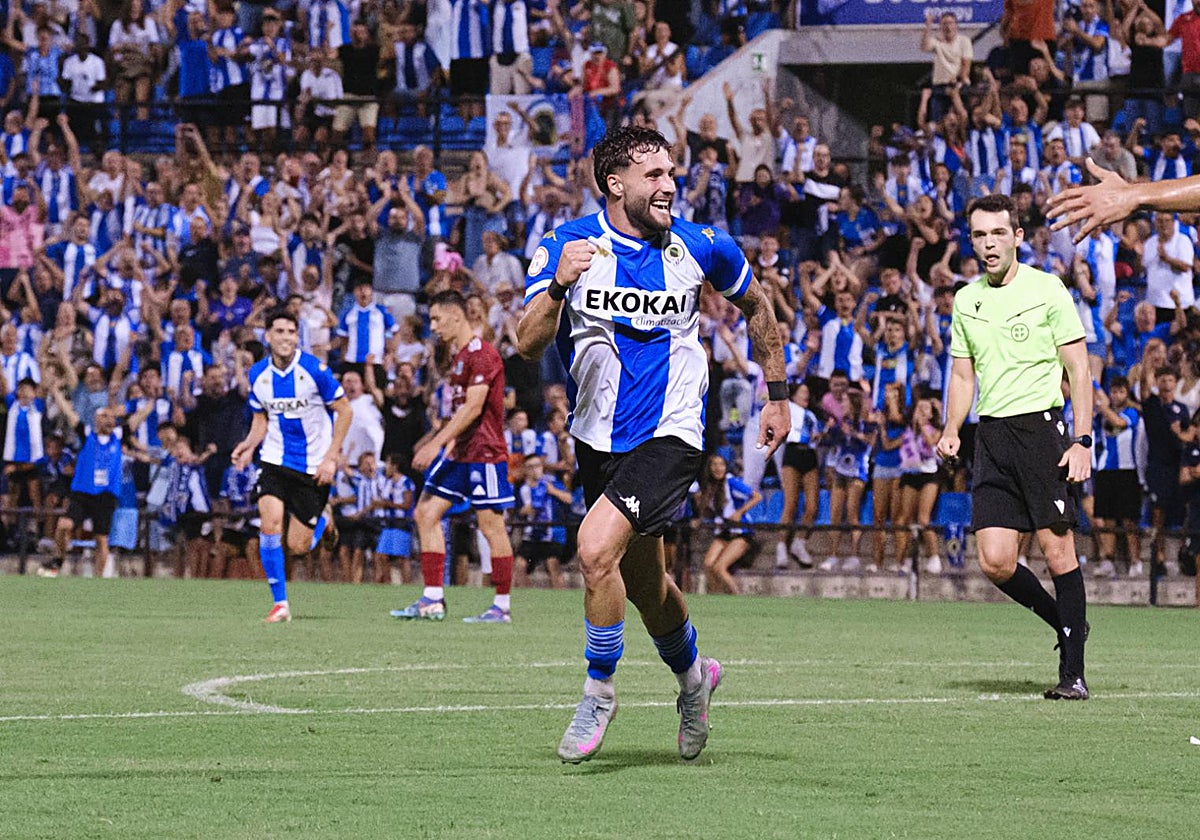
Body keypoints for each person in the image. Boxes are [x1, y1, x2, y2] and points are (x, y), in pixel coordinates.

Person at [515, 126, 790, 763]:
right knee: (646, 587)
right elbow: (526, 343)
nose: (670, 185)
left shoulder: (702, 245)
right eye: (655, 175)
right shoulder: (565, 246)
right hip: (598, 437)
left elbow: (758, 306)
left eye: (671, 172)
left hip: (673, 432)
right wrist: (558, 286)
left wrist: (776, 395)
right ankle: (695, 679)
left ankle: (598, 691)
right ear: (616, 184)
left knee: (593, 549)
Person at [936, 193, 1094, 701]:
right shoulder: (966, 300)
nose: (989, 244)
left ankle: (1073, 675)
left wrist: (1082, 440)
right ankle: (1067, 622)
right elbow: (963, 375)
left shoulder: (1047, 289)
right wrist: (951, 427)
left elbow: (1079, 370)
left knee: (1058, 552)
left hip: (1041, 433)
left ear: (1018, 237)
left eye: (998, 233)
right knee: (996, 561)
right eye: (979, 235)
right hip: (992, 437)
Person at [392, 289, 517, 623]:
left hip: (484, 453)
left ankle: (501, 606)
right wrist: (446, 444)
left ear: (456, 315)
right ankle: (432, 599)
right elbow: (458, 411)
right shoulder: (460, 357)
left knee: (491, 525)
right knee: (425, 513)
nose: (433, 326)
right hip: (460, 451)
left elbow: (474, 408)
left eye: (436, 319)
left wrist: (435, 444)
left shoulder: (483, 354)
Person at [230, 309, 352, 623]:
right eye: (280, 331)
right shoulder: (258, 374)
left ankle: (324, 522)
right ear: (267, 336)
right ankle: (280, 604)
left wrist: (331, 457)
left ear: (297, 337)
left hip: (313, 466)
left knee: (298, 546)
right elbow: (261, 418)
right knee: (269, 525)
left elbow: (345, 411)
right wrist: (249, 445)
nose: (286, 337)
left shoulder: (315, 370)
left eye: (291, 332)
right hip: (274, 459)